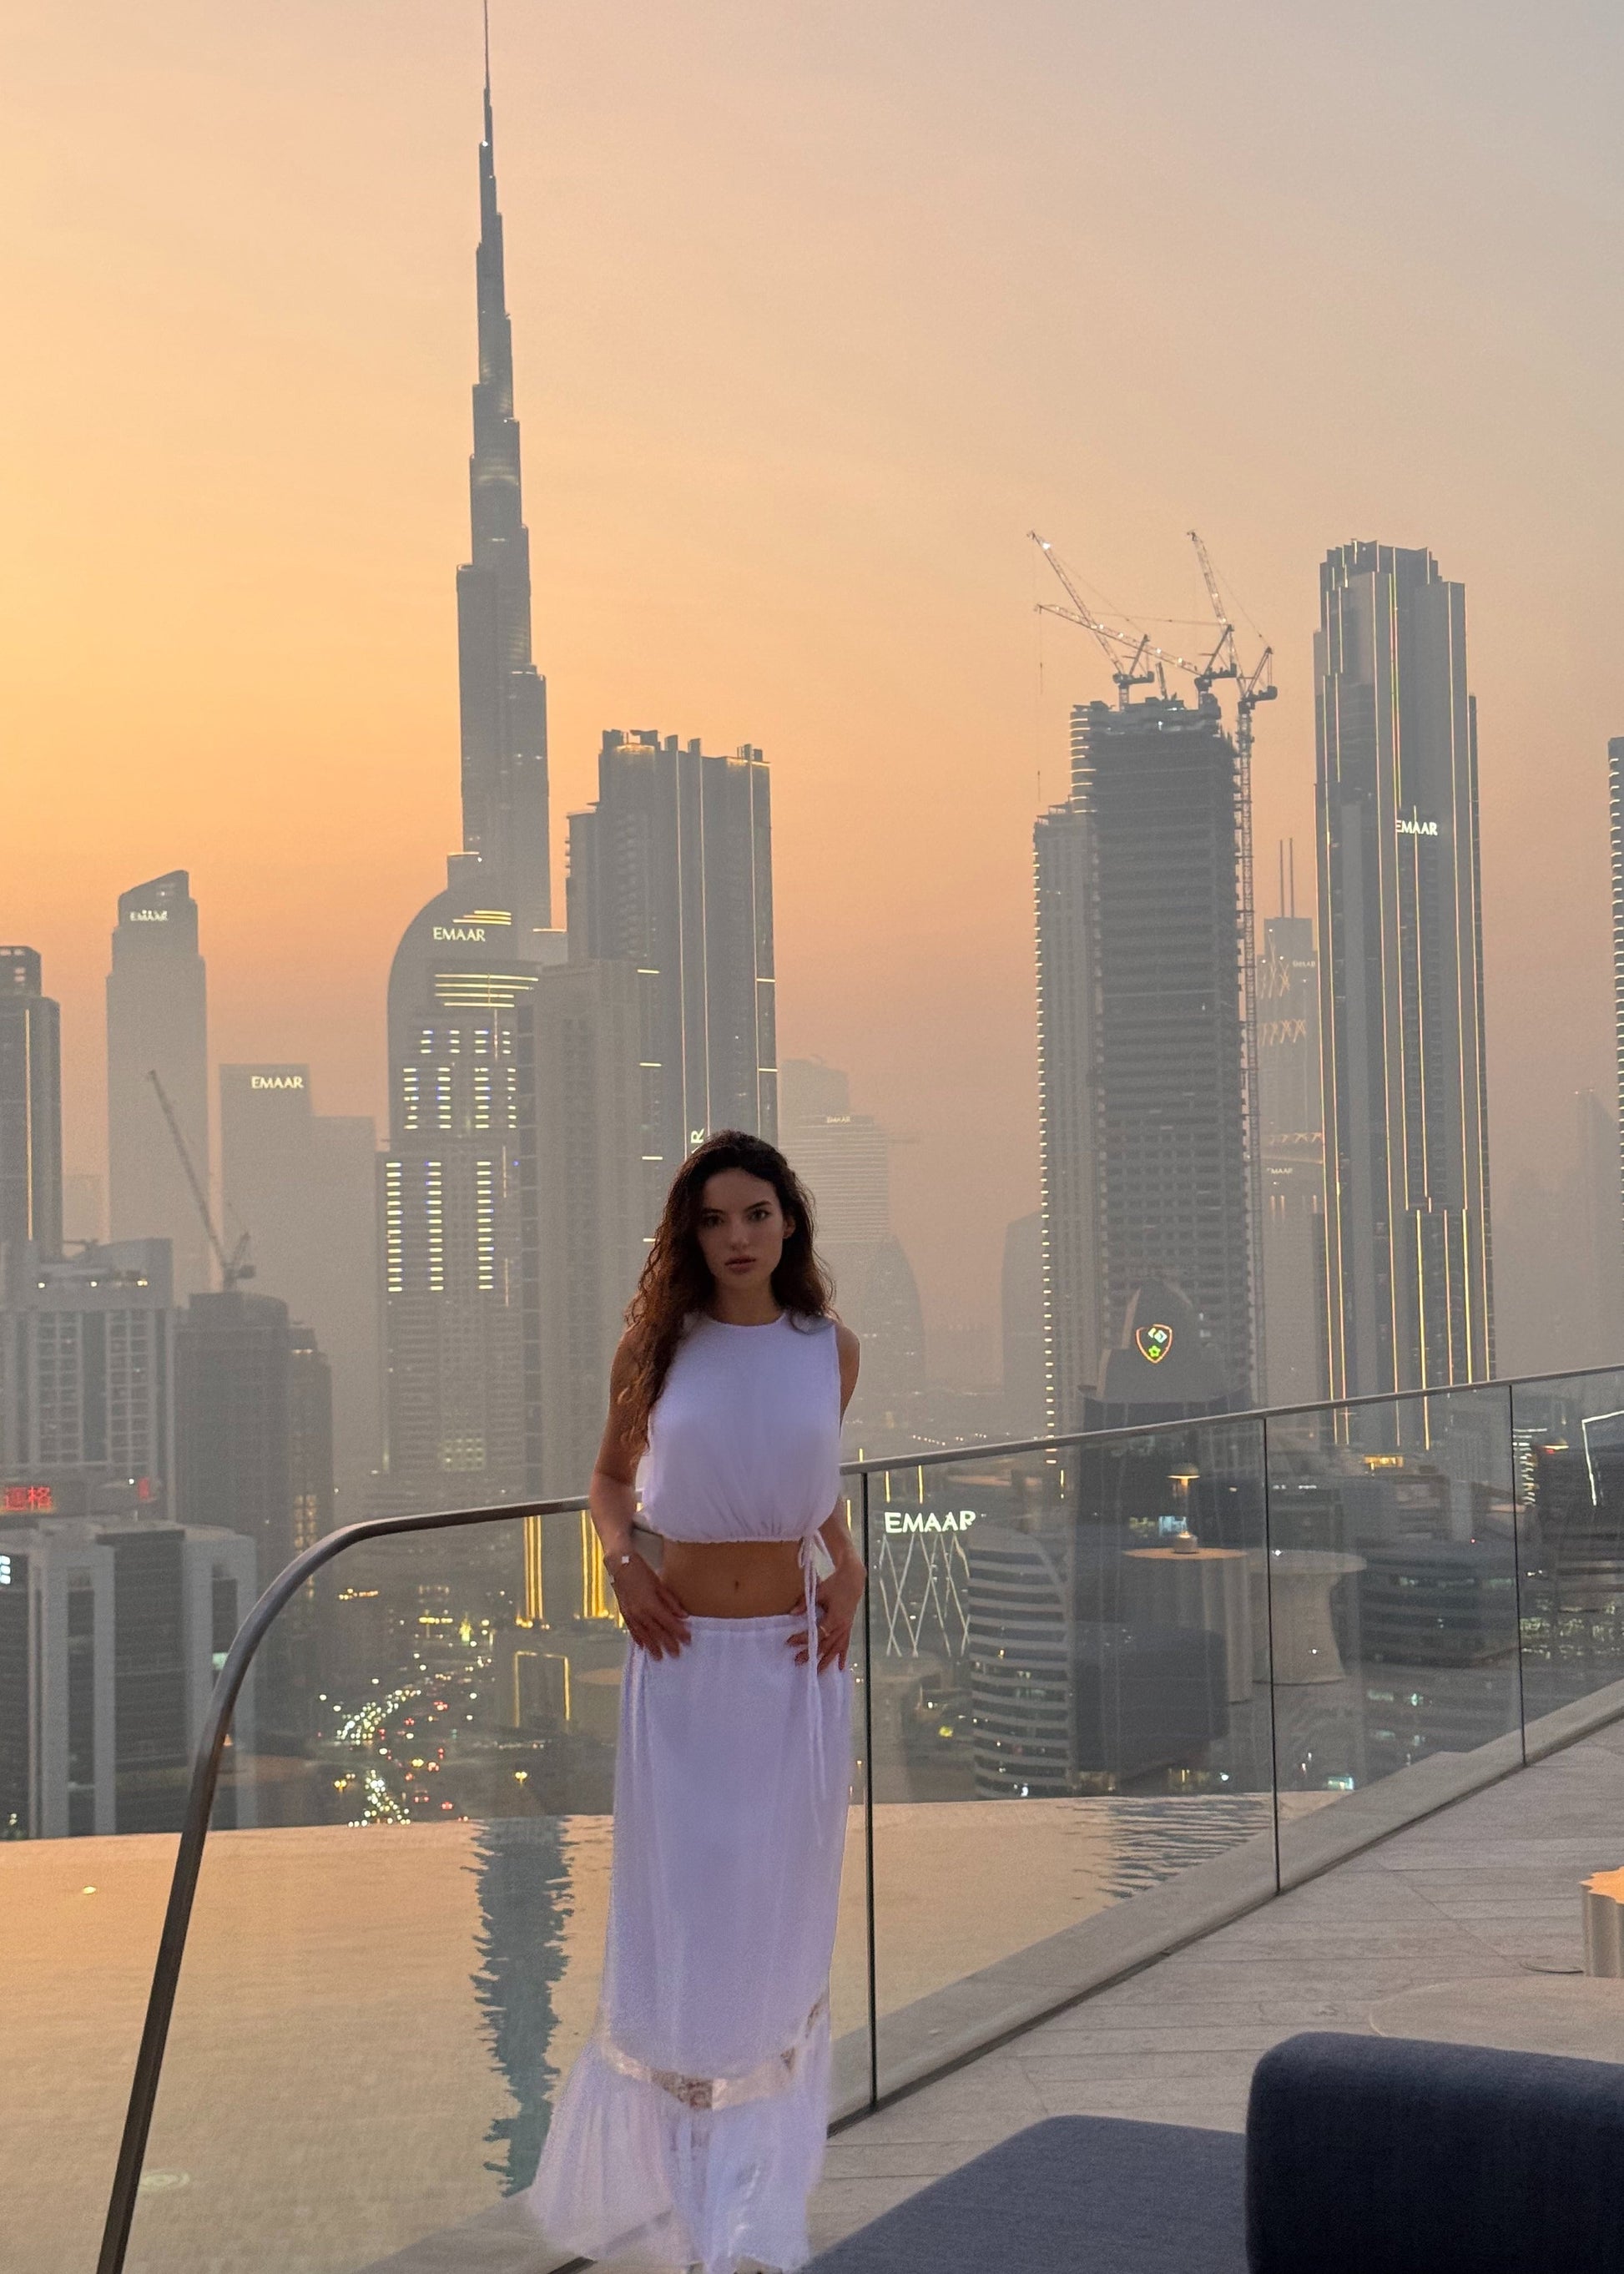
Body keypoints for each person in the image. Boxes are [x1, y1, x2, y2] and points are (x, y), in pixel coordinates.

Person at [527, 1129, 865, 2274]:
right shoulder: (657, 1346)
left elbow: (805, 1467)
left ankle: (752, 2220)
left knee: (774, 1929)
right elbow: (611, 1480)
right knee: (684, 1930)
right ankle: (681, 2214)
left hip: (791, 1664)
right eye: (714, 1218)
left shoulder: (831, 1347)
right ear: (689, 1231)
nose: (736, 1237)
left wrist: (849, 1560)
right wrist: (621, 1564)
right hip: (682, 1671)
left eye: (756, 1214)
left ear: (788, 1224)